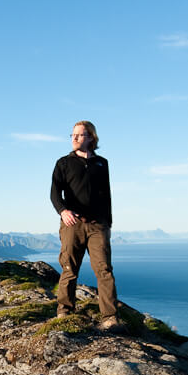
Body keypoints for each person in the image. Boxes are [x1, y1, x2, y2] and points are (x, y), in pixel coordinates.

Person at [50, 120, 120, 329]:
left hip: (98, 226)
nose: (74, 138)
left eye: (79, 135)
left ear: (91, 137)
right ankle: (64, 311)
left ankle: (109, 317)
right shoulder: (63, 163)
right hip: (73, 225)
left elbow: (106, 195)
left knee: (104, 270)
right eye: (72, 135)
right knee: (69, 268)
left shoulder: (102, 163)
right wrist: (63, 211)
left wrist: (107, 222)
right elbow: (54, 193)